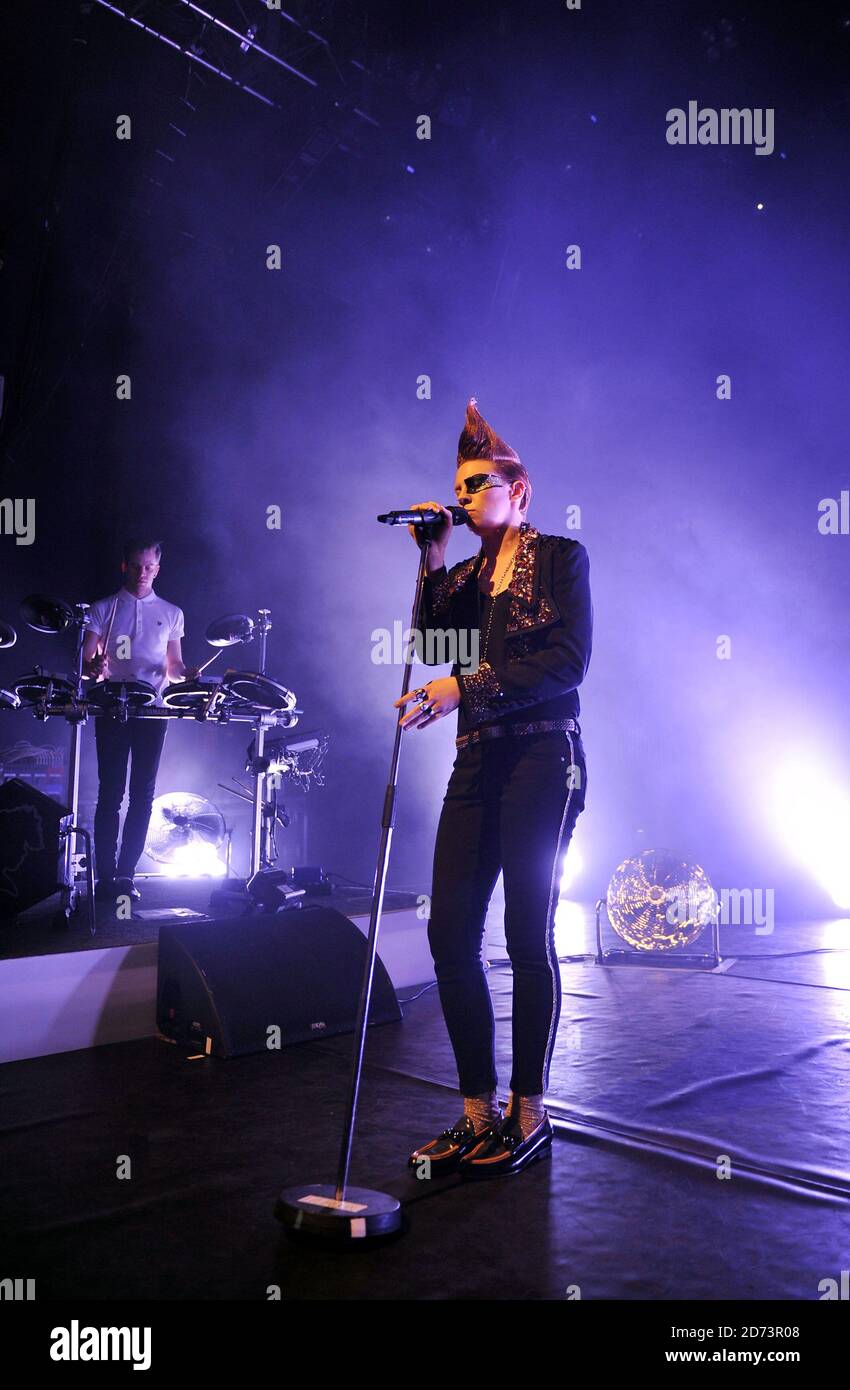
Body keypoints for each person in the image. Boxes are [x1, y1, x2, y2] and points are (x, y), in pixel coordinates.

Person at [397, 399, 592, 1179]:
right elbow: (432, 648)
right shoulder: (470, 576)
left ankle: (529, 1112)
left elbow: (568, 662)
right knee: (450, 935)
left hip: (545, 759)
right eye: (461, 486)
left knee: (524, 937)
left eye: (482, 482)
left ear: (521, 490)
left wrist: (461, 688)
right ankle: (477, 1112)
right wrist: (431, 558)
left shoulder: (562, 559)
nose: (469, 493)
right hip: (478, 763)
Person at [82, 539, 198, 902]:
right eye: (136, 565)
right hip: (114, 705)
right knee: (110, 794)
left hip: (153, 709)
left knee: (143, 796)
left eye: (149, 566)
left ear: (158, 570)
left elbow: (173, 667)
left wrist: (185, 674)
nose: (143, 572)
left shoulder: (172, 612)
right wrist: (93, 667)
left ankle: (125, 876)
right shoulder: (103, 608)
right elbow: (86, 666)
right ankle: (103, 876)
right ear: (124, 566)